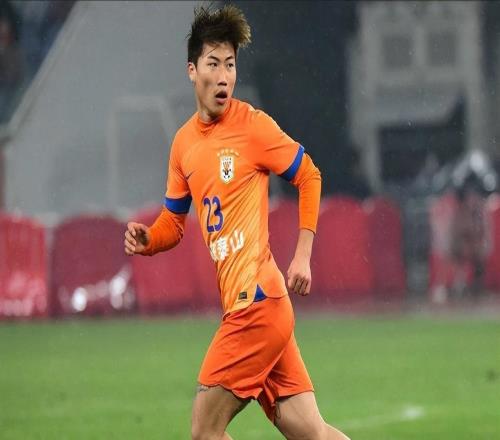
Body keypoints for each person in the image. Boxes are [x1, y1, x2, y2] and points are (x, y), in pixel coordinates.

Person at [124, 5, 350, 440]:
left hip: (257, 305)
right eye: (213, 64)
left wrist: (302, 256)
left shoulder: (253, 126)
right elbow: (174, 223)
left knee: (204, 430)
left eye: (230, 65)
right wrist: (149, 239)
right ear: (192, 70)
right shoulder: (183, 144)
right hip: (260, 308)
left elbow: (309, 175)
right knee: (313, 434)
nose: (224, 75)